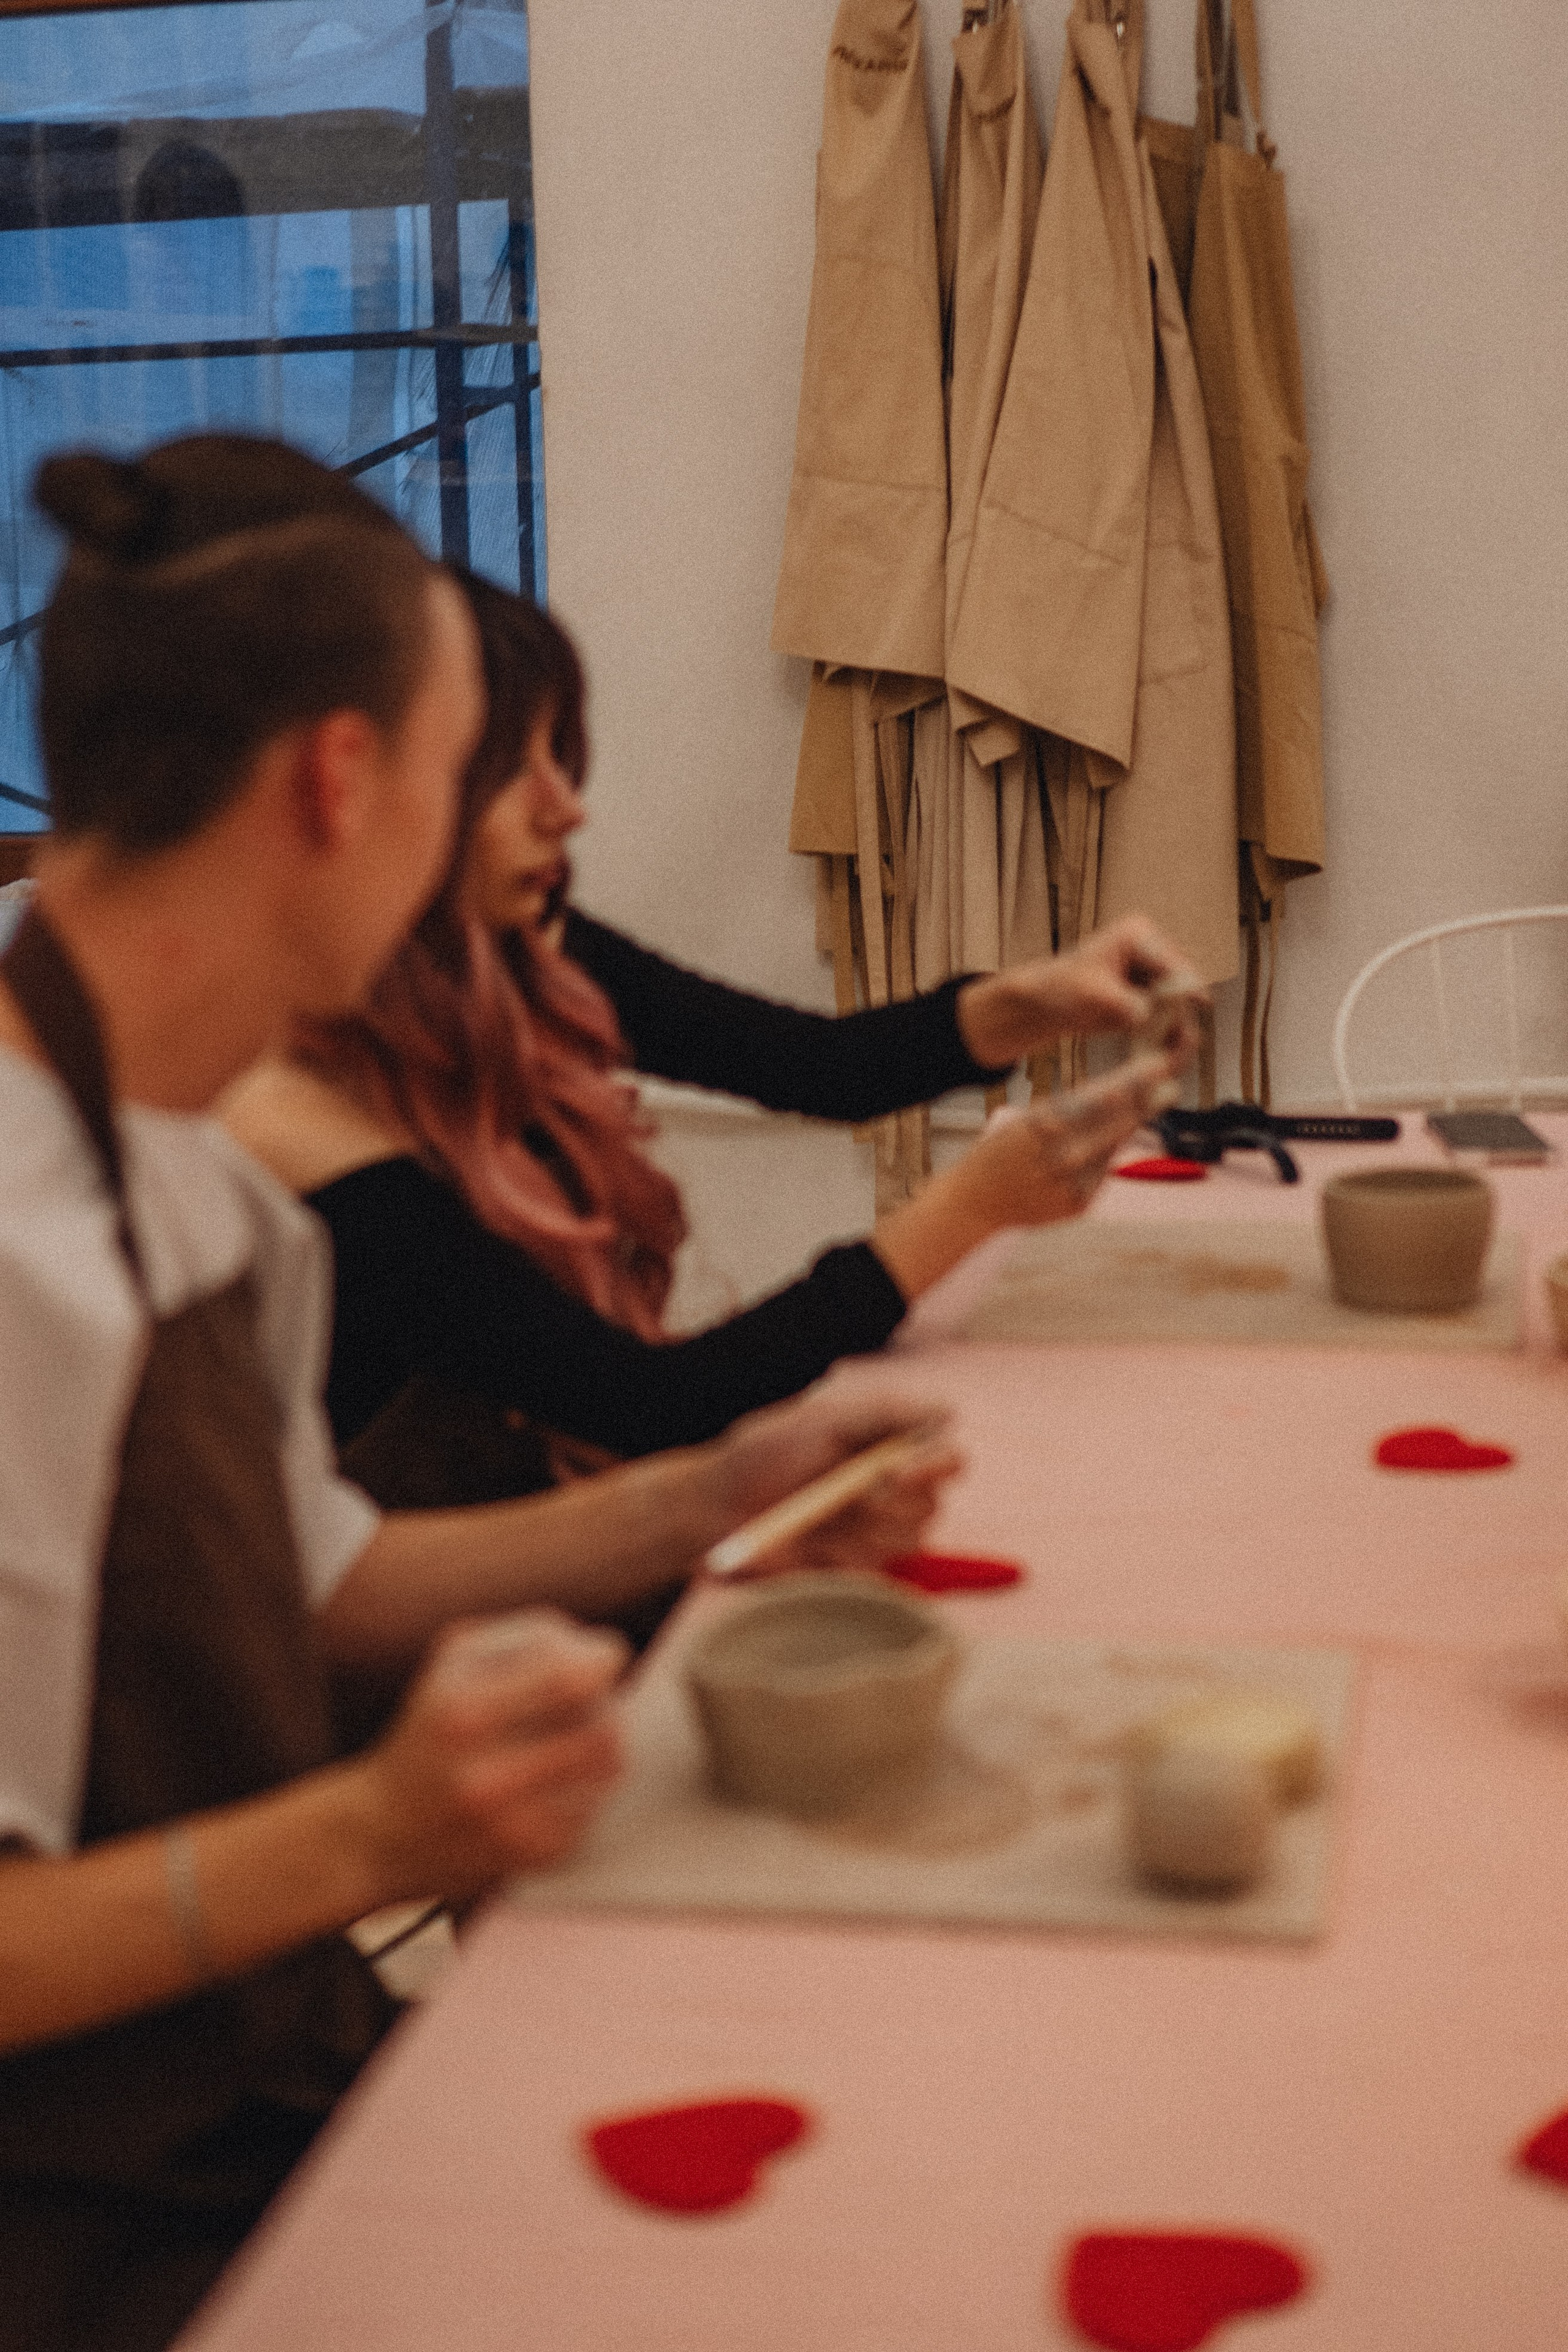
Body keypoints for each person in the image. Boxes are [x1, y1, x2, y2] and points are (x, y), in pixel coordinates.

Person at [0, 435, 955, 2352]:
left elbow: (323, 1581)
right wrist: (379, 1833)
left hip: (268, 2082)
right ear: (341, 783)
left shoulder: (191, 1172)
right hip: (94, 2238)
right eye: (463, 775)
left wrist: (723, 1484)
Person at [222, 575, 1199, 1494]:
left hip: (556, 1502)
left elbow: (821, 1067)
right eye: (508, 773)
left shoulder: (516, 948)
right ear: (368, 791)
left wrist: (1037, 999)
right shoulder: (304, 1121)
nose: (568, 809)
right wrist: (967, 1211)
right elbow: (648, 1404)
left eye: (557, 757)